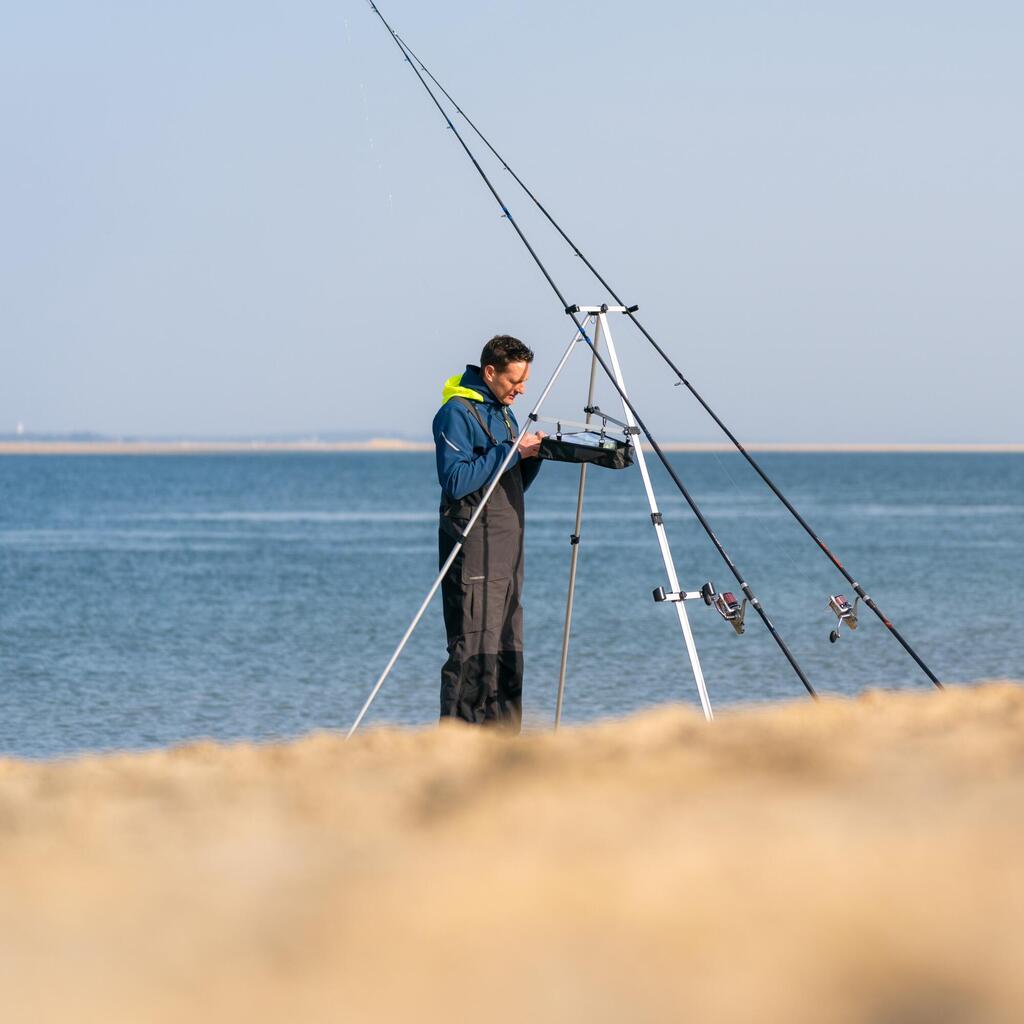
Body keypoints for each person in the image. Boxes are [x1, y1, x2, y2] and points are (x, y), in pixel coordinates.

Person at [431, 335, 546, 730]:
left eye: (525, 380)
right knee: (474, 646)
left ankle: (504, 746)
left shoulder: (505, 411)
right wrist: (512, 451)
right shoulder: (455, 413)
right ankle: (459, 744)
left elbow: (504, 482)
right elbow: (457, 480)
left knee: (507, 646)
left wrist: (531, 457)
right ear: (490, 371)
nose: (522, 389)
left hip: (508, 547)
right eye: (514, 381)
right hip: (473, 545)